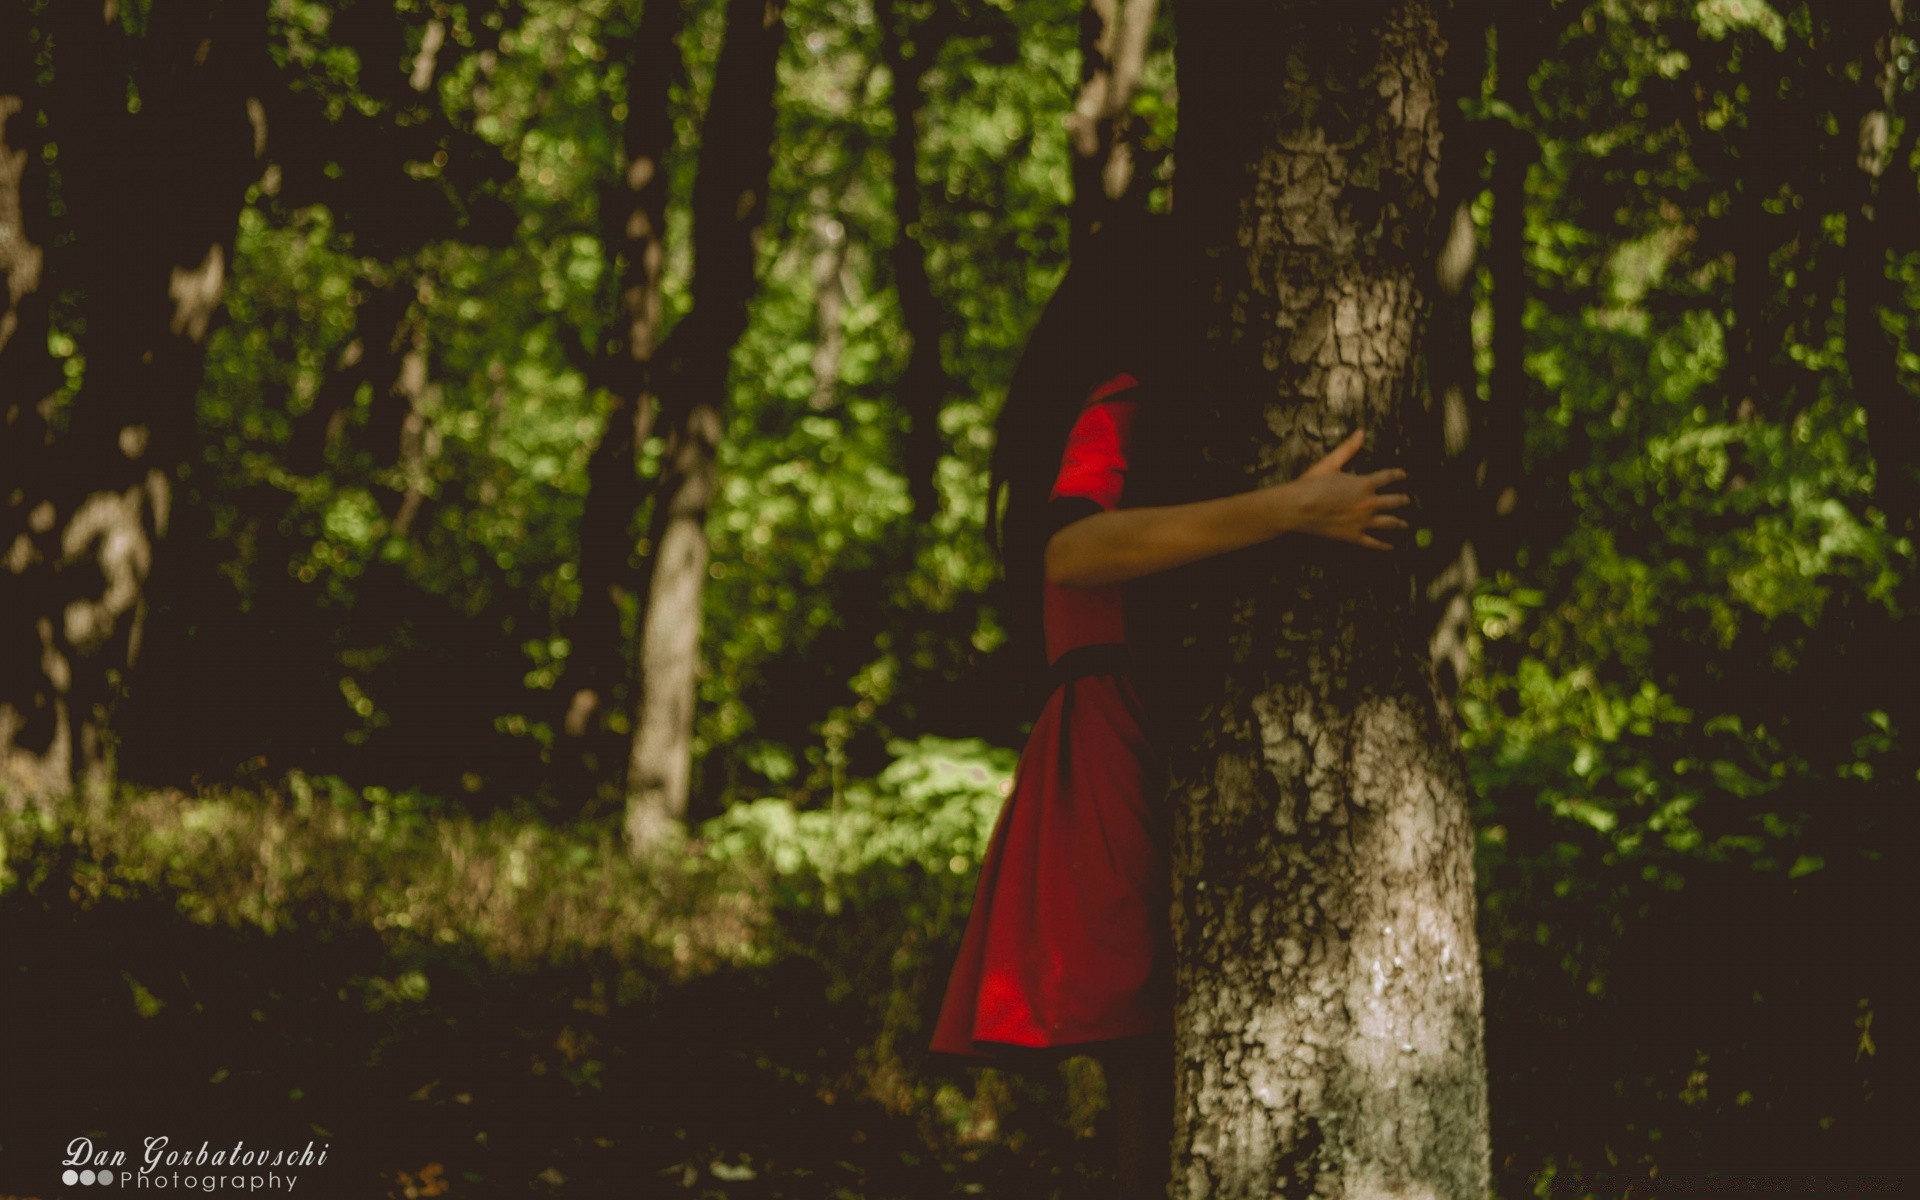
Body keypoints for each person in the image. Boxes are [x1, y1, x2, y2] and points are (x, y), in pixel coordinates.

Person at [929, 213, 1414, 1198]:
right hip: (1107, 748)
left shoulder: (1141, 407)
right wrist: (1292, 508)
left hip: (1119, 737)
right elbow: (1075, 549)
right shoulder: (1123, 394)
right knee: (1152, 1067)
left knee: (1157, 1072)